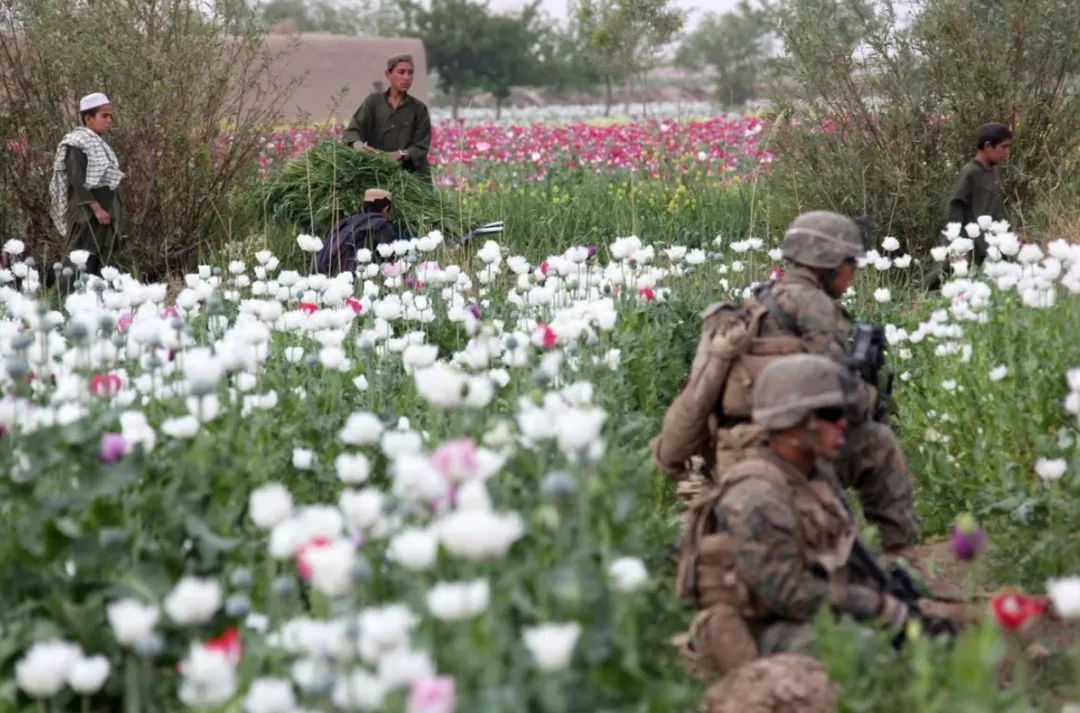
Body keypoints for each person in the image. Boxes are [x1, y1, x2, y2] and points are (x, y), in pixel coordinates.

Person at [651, 210, 921, 561]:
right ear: (830, 266)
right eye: (850, 264)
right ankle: (901, 555)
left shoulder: (750, 309)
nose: (853, 274)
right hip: (794, 454)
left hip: (730, 457)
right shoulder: (817, 310)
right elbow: (843, 403)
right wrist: (871, 396)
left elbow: (699, 395)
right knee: (877, 443)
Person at [672, 354, 931, 681]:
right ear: (793, 424)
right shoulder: (757, 497)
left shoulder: (810, 474)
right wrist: (874, 604)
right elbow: (789, 594)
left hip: (807, 611)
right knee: (863, 649)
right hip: (763, 629)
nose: (844, 423)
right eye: (831, 414)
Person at [48, 92, 124, 287]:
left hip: (104, 214)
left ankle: (94, 300)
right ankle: (60, 298)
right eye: (104, 116)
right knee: (77, 260)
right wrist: (97, 209)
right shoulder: (77, 144)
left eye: (110, 116)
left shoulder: (98, 143)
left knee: (100, 263)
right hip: (86, 216)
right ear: (88, 119)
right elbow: (78, 179)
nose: (109, 120)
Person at [925, 122, 1013, 289]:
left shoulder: (993, 172)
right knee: (943, 277)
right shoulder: (970, 172)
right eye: (1004, 147)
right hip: (967, 240)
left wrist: (1011, 234)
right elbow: (955, 207)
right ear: (988, 146)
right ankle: (918, 299)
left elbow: (996, 208)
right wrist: (958, 242)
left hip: (987, 241)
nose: (1007, 152)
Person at [341, 54, 432, 182]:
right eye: (401, 72)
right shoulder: (373, 102)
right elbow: (352, 131)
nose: (407, 77)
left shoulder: (419, 109)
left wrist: (400, 155)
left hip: (409, 178)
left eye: (410, 73)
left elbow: (421, 146)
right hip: (376, 173)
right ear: (388, 75)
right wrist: (358, 145)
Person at [315, 188, 398, 275]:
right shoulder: (382, 224)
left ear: (363, 207)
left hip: (331, 275)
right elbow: (392, 257)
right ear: (385, 209)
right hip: (360, 276)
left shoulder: (345, 223)